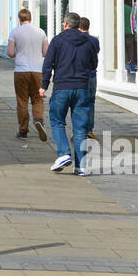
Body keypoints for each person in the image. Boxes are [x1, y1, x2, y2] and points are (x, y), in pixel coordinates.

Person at [39, 12, 98, 175]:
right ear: (78, 25)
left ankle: (64, 153)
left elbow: (47, 65)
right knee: (80, 128)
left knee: (57, 121)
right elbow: (94, 64)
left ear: (65, 24)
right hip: (83, 88)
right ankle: (81, 166)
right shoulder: (89, 41)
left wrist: (43, 86)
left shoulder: (58, 40)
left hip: (62, 87)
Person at [8, 9, 49, 141]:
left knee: (22, 100)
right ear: (31, 18)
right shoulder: (41, 32)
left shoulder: (15, 31)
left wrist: (17, 54)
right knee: (37, 98)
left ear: (19, 19)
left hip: (21, 70)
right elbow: (45, 52)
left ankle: (23, 130)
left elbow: (9, 52)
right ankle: (38, 119)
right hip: (37, 70)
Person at [78, 17, 100, 137]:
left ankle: (81, 129)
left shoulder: (77, 40)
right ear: (88, 27)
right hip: (92, 74)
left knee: (80, 102)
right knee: (91, 102)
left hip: (80, 75)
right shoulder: (94, 40)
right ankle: (89, 129)